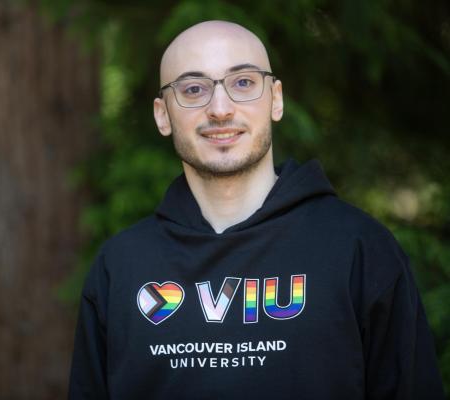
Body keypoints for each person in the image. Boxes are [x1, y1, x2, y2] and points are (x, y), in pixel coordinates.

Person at [68, 20, 445, 399]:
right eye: (194, 89)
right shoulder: (121, 266)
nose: (219, 109)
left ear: (276, 99)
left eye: (243, 83)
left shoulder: (359, 249)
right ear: (163, 115)